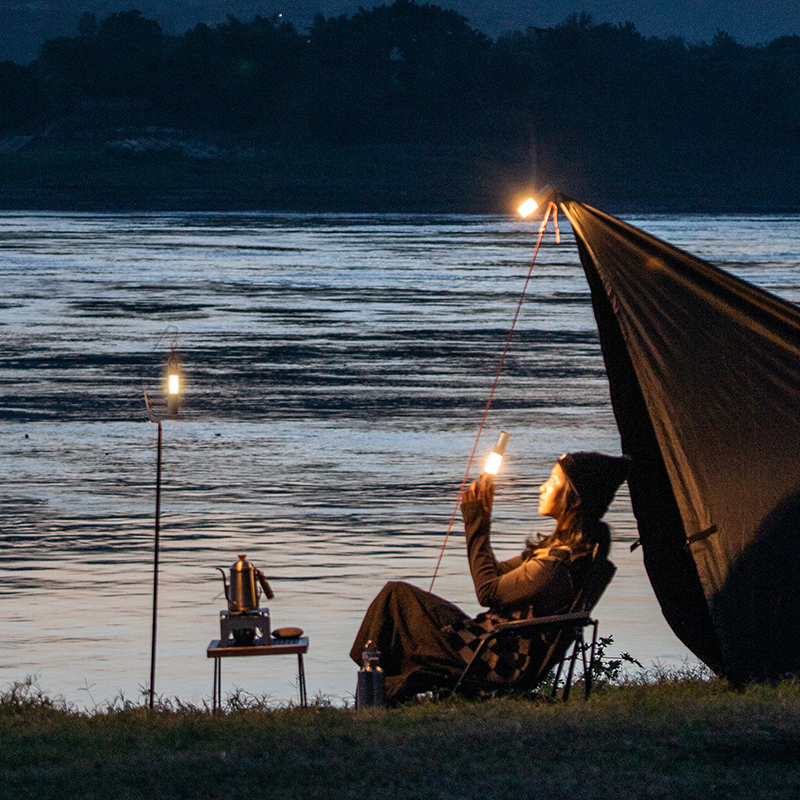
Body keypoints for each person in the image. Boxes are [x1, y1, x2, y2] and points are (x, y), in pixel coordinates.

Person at [350, 451, 630, 703]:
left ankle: (372, 688)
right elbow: (494, 576)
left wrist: (478, 526)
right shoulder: (555, 552)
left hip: (495, 660)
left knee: (396, 599)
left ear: (575, 497)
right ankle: (381, 687)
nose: (542, 486)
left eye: (553, 480)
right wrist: (480, 521)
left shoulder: (557, 566)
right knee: (400, 598)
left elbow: (488, 592)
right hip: (488, 639)